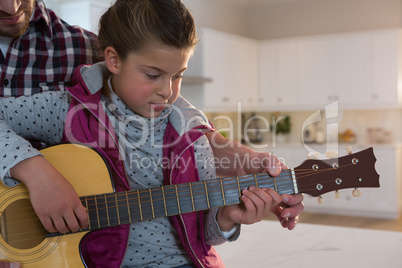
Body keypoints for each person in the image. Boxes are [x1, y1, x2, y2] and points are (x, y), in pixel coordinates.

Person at [0, 0, 304, 266]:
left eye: (178, 76)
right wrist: (34, 170)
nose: (167, 91)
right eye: (153, 75)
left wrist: (227, 218)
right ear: (113, 60)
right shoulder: (66, 109)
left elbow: (203, 235)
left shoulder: (191, 136)